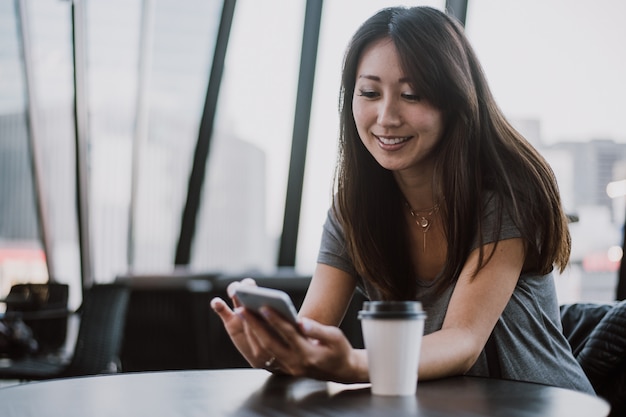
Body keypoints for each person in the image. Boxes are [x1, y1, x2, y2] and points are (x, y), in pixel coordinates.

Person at [211, 5, 595, 394]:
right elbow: (312, 331)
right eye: (370, 93)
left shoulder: (506, 195)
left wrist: (353, 364)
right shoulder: (353, 210)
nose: (386, 116)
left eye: (411, 94)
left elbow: (462, 341)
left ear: (454, 101)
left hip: (542, 404)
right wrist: (277, 351)